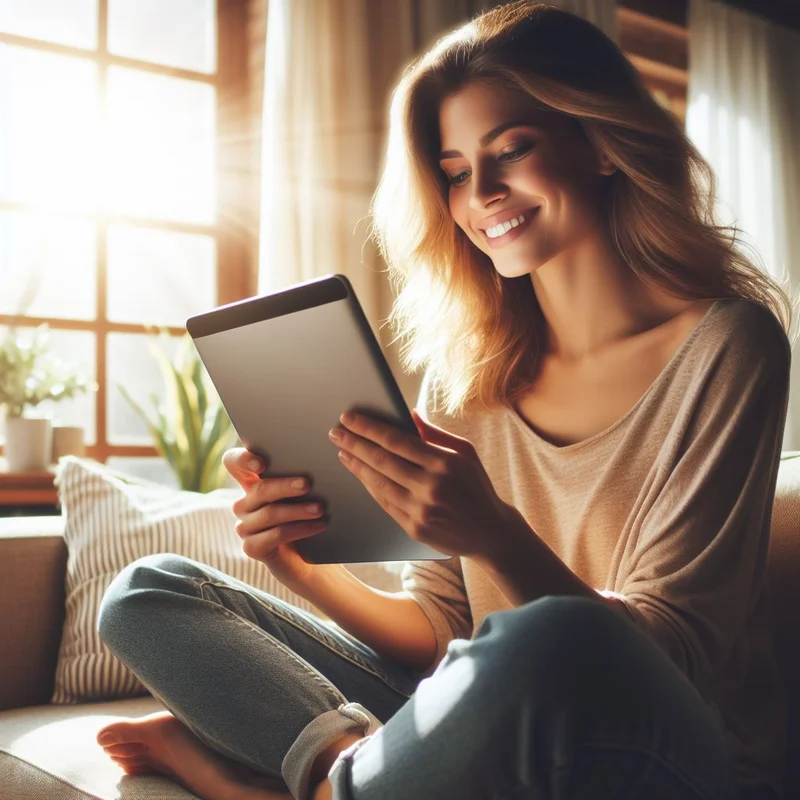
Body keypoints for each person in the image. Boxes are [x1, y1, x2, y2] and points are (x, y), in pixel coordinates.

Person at [95, 2, 796, 799]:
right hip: (498, 701)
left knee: (544, 639)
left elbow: (667, 662)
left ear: (601, 143)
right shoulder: (470, 374)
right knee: (149, 591)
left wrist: (494, 531)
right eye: (457, 172)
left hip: (665, 746)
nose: (483, 192)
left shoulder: (726, 346)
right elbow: (441, 641)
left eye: (512, 150)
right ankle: (343, 768)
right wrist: (299, 568)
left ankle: (304, 782)